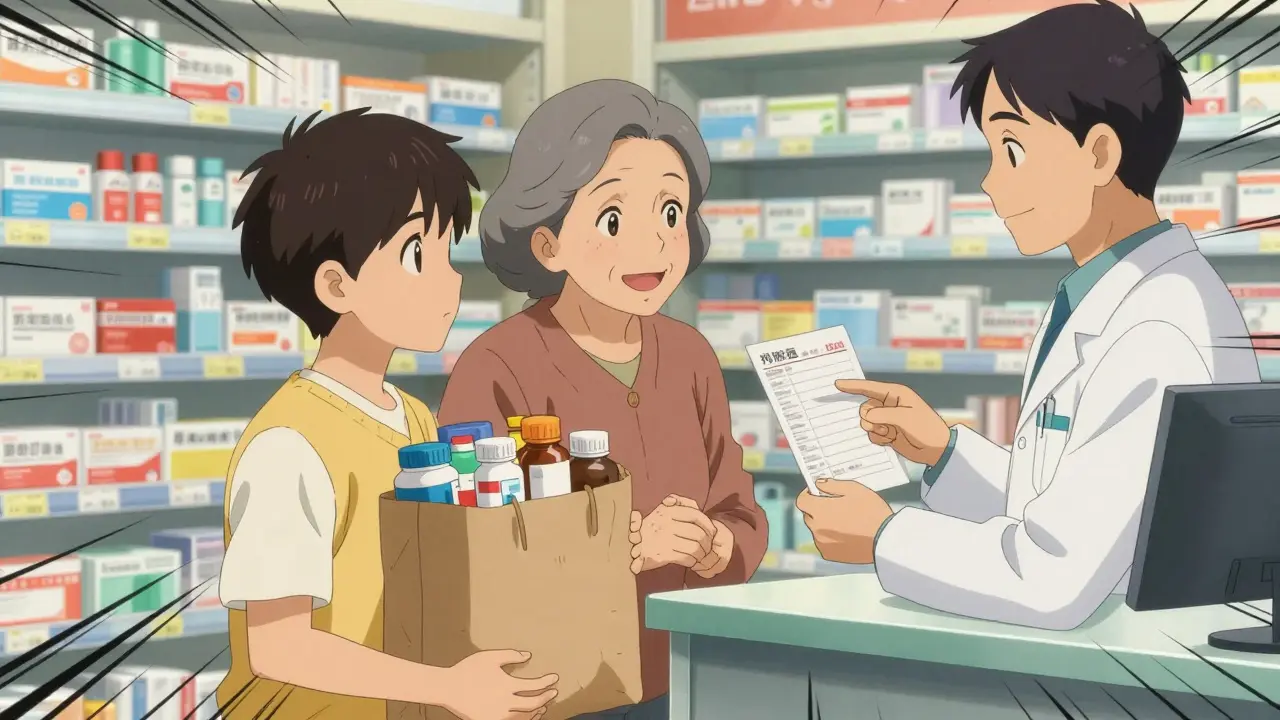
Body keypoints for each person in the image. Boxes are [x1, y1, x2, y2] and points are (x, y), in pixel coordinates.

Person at [796, 0, 1261, 631]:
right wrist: (942, 451)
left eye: (1011, 147)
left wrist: (883, 536)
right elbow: (1068, 505)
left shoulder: (1160, 323)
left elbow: (1053, 578)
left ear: (1099, 154)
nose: (989, 181)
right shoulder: (1102, 294)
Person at [439, 79, 768, 719]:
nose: (650, 245)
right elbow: (472, 554)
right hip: (551, 692)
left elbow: (738, 505)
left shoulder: (691, 356)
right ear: (547, 241)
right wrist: (630, 548)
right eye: (613, 218)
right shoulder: (499, 365)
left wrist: (715, 545)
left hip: (684, 678)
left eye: (671, 213)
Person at [216, 109, 558, 720]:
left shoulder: (415, 419)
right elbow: (278, 645)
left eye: (448, 253)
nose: (450, 282)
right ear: (336, 286)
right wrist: (447, 687)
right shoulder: (290, 446)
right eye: (416, 254)